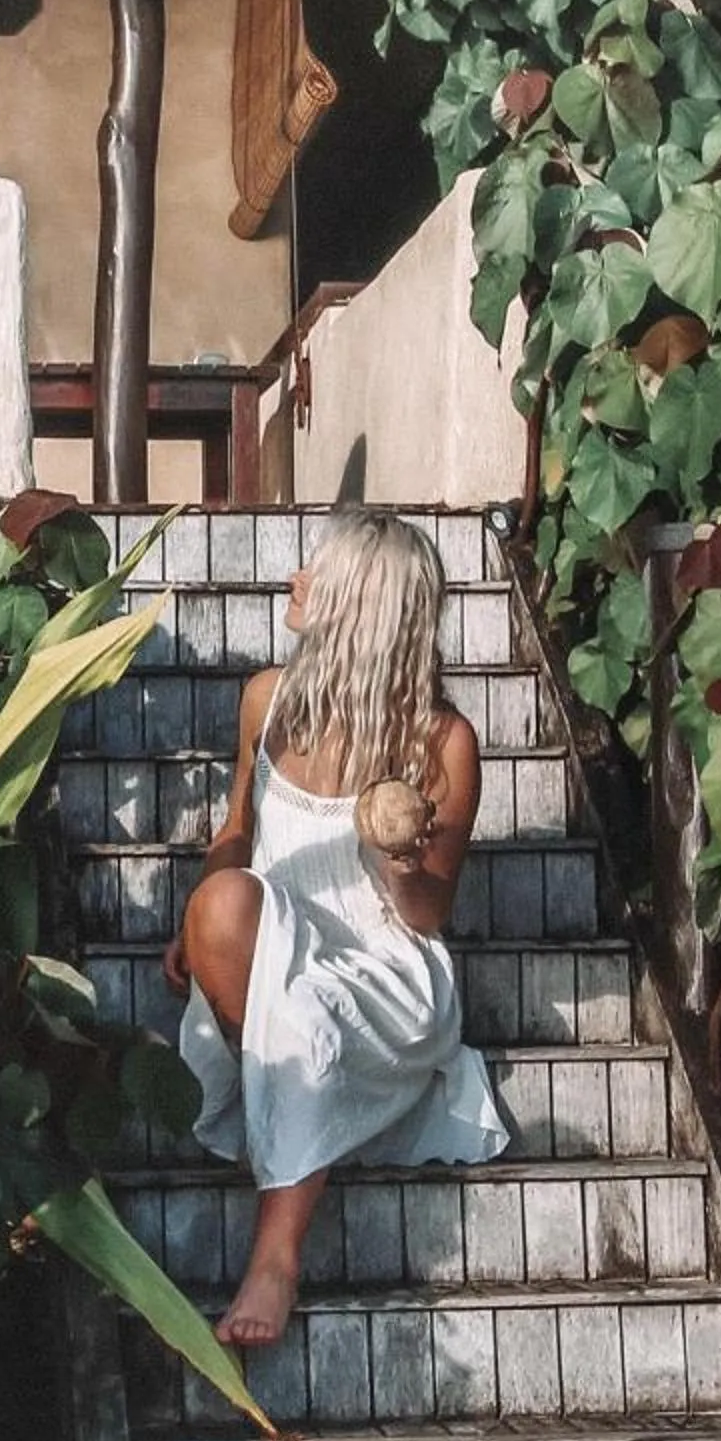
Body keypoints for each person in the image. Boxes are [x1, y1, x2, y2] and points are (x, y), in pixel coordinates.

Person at [163, 508, 509, 1350]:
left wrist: (398, 861)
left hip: (384, 968)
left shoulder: (441, 742)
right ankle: (311, 1106)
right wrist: (199, 919)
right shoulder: (265, 702)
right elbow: (236, 831)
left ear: (358, 605)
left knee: (308, 1007)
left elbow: (428, 911)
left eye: (315, 573)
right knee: (223, 910)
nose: (295, 581)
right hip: (278, 940)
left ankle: (276, 1256)